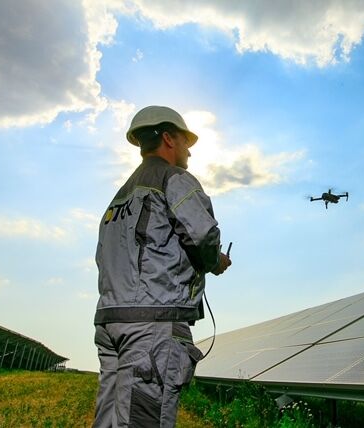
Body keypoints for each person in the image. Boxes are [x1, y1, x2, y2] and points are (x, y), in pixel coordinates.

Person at [93, 105, 231, 427]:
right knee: (145, 420)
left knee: (110, 420)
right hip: (152, 327)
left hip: (112, 322)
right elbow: (203, 235)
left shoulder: (118, 198)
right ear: (168, 138)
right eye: (186, 142)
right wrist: (215, 261)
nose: (189, 153)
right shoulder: (175, 179)